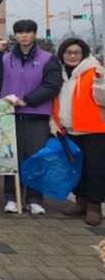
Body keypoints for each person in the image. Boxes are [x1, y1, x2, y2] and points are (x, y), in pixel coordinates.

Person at [0, 19, 62, 215]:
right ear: (15, 35)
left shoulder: (48, 58)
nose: (24, 36)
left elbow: (52, 85)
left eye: (28, 32)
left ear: (35, 34)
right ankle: (12, 197)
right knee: (11, 158)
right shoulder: (6, 58)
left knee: (36, 158)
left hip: (37, 115)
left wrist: (28, 100)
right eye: (20, 32)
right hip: (10, 115)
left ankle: (34, 199)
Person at [51, 38, 105, 226]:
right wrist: (54, 122)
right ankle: (80, 201)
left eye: (77, 53)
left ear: (83, 54)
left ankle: (94, 206)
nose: (72, 56)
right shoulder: (61, 74)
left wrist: (101, 82)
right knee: (75, 167)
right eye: (68, 52)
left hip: (93, 129)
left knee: (95, 169)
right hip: (69, 129)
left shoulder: (94, 71)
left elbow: (102, 100)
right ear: (62, 54)